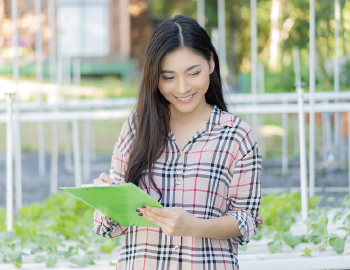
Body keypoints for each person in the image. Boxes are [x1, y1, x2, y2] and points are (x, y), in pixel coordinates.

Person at [93, 14, 263, 270]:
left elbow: (246, 222)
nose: (182, 88)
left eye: (193, 73)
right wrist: (108, 201)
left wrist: (193, 226)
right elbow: (109, 228)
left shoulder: (237, 136)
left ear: (211, 63)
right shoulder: (136, 128)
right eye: (169, 77)